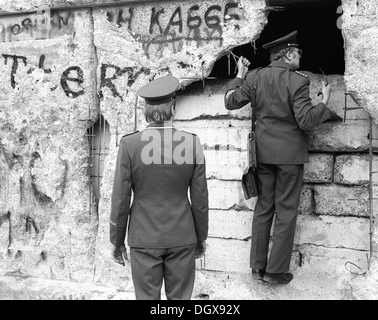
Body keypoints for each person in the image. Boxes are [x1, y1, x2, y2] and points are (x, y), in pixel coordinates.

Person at [224, 31, 340, 285]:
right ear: (288, 54)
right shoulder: (298, 81)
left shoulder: (255, 76)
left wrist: (239, 76)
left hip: (263, 155)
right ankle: (276, 271)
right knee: (286, 211)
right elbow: (306, 121)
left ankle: (257, 268)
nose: (301, 56)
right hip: (289, 157)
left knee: (264, 207)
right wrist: (325, 102)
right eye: (298, 53)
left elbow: (230, 102)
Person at [110, 75, 209, 300]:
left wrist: (116, 241)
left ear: (146, 110)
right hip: (182, 236)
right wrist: (201, 237)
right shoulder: (193, 143)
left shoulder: (129, 144)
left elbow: (120, 199)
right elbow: (200, 198)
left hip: (144, 237)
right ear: (172, 108)